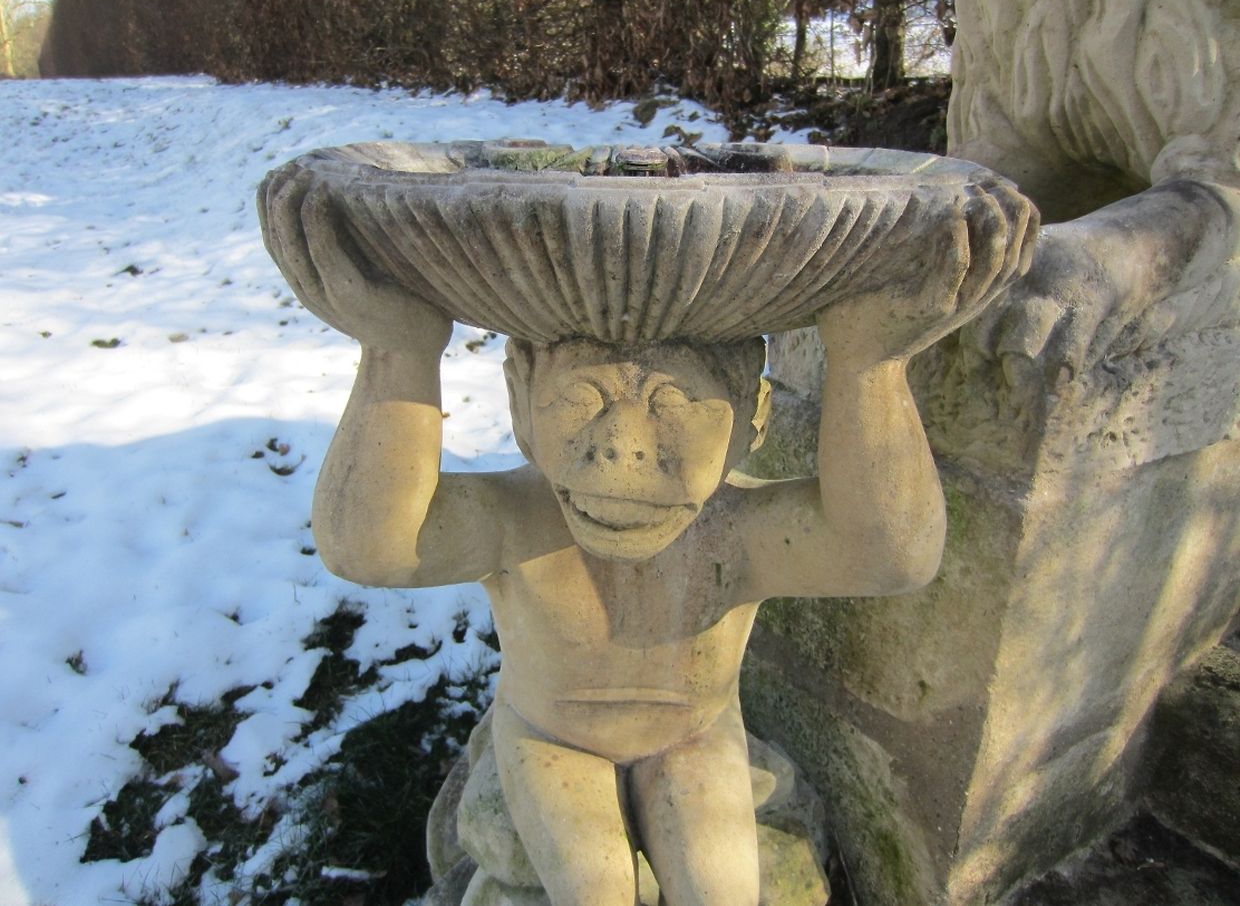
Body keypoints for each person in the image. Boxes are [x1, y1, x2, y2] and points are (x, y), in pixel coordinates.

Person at [260, 163, 1033, 906]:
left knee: (721, 891)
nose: (621, 447)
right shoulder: (517, 520)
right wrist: (398, 351)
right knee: (593, 888)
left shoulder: (736, 532)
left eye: (672, 404)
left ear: (753, 420)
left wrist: (871, 364)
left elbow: (889, 556)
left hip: (694, 734)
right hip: (550, 735)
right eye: (582, 399)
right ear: (521, 405)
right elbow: (369, 547)